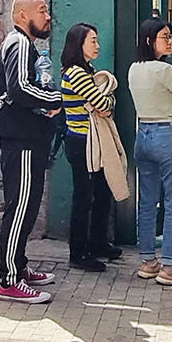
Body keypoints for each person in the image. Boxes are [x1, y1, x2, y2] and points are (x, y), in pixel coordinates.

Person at [0, 0, 62, 304]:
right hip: (21, 141)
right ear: (22, 16)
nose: (48, 16)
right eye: (42, 10)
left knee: (28, 205)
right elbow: (19, 87)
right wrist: (54, 100)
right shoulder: (18, 43)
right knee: (19, 207)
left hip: (30, 139)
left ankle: (19, 266)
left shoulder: (27, 46)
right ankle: (8, 280)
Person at [127, 17, 172, 286]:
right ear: (150, 41)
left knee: (146, 202)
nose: (169, 40)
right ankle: (170, 266)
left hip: (143, 133)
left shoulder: (134, 69)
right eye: (164, 36)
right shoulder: (164, 70)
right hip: (165, 134)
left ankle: (148, 261)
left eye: (170, 36)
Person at [59, 22, 119, 273]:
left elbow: (106, 103)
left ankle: (98, 243)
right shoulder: (76, 73)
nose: (97, 45)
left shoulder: (87, 70)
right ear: (78, 44)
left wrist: (106, 101)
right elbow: (102, 103)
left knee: (102, 193)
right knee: (84, 197)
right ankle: (79, 252)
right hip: (82, 141)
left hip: (92, 141)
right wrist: (106, 100)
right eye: (92, 40)